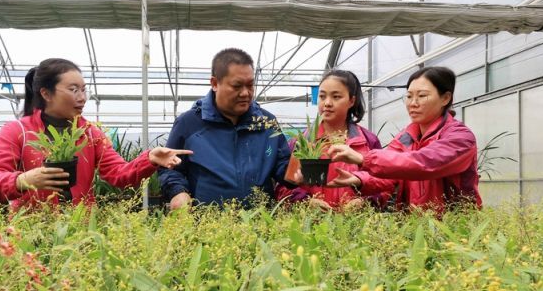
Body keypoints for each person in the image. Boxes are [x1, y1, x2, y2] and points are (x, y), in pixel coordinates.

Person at [0, 58, 191, 209]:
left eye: (84, 89)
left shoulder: (90, 133)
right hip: (29, 236)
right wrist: (23, 180)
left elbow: (119, 175)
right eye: (73, 90)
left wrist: (149, 159)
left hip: (79, 234)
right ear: (46, 93)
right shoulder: (18, 131)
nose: (82, 97)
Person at [327, 66, 482, 211]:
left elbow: (424, 163)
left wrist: (363, 159)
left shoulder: (460, 137)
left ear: (445, 98)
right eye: (409, 96)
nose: (412, 103)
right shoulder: (406, 137)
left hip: (454, 229)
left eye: (422, 96)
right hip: (416, 228)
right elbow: (391, 174)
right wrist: (358, 179)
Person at [159, 48, 293, 209]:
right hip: (209, 227)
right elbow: (170, 168)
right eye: (237, 86)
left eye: (250, 85)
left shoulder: (266, 122)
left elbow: (282, 165)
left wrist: (300, 172)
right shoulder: (189, 124)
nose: (245, 93)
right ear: (215, 83)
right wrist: (178, 192)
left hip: (261, 225)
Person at [276, 69, 382, 210]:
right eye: (322, 96)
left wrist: (365, 202)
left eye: (336, 97)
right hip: (311, 227)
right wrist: (306, 202)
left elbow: (384, 183)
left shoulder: (367, 140)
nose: (327, 103)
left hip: (356, 225)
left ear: (351, 101)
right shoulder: (302, 141)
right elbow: (284, 187)